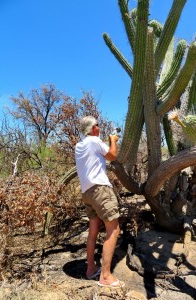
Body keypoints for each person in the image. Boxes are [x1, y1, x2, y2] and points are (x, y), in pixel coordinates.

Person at [75, 116, 124, 288]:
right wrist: (113, 140)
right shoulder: (94, 141)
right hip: (100, 190)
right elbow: (112, 155)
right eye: (98, 125)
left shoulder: (79, 145)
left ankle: (90, 269)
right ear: (93, 128)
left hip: (87, 192)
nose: (100, 127)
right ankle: (105, 276)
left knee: (94, 229)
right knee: (113, 229)